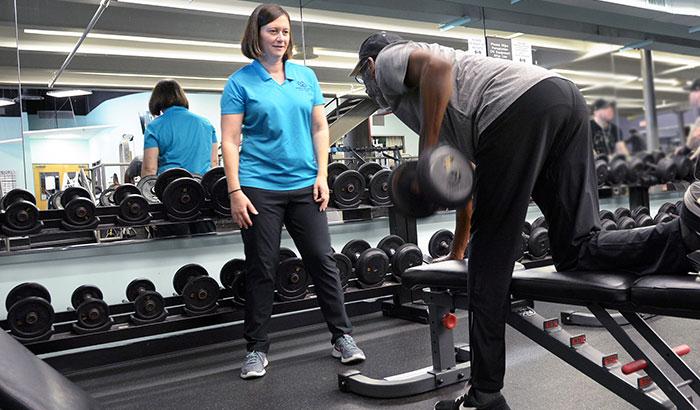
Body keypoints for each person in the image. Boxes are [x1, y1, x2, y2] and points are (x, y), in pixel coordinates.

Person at [351, 32, 700, 410]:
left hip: (517, 109)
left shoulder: (387, 61)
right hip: (562, 97)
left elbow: (434, 68)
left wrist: (427, 154)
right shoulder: (447, 104)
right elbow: (467, 183)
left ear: (370, 66)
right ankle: (687, 233)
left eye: (362, 76)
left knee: (488, 267)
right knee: (578, 249)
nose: (368, 86)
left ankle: (484, 396)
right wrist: (457, 251)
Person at [220, 3, 365, 380]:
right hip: (258, 188)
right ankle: (256, 349)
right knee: (262, 268)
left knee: (322, 260)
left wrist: (322, 175)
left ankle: (342, 337)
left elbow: (320, 128)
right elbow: (231, 140)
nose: (281, 38)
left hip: (305, 185)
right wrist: (235, 189)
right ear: (257, 35)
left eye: (285, 32)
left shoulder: (306, 77)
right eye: (273, 31)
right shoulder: (240, 83)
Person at [142, 79, 219, 236]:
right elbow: (214, 163)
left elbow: (150, 169)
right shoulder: (206, 123)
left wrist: (150, 206)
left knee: (172, 253)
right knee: (207, 247)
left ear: (157, 99)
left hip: (171, 197)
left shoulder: (155, 126)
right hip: (201, 195)